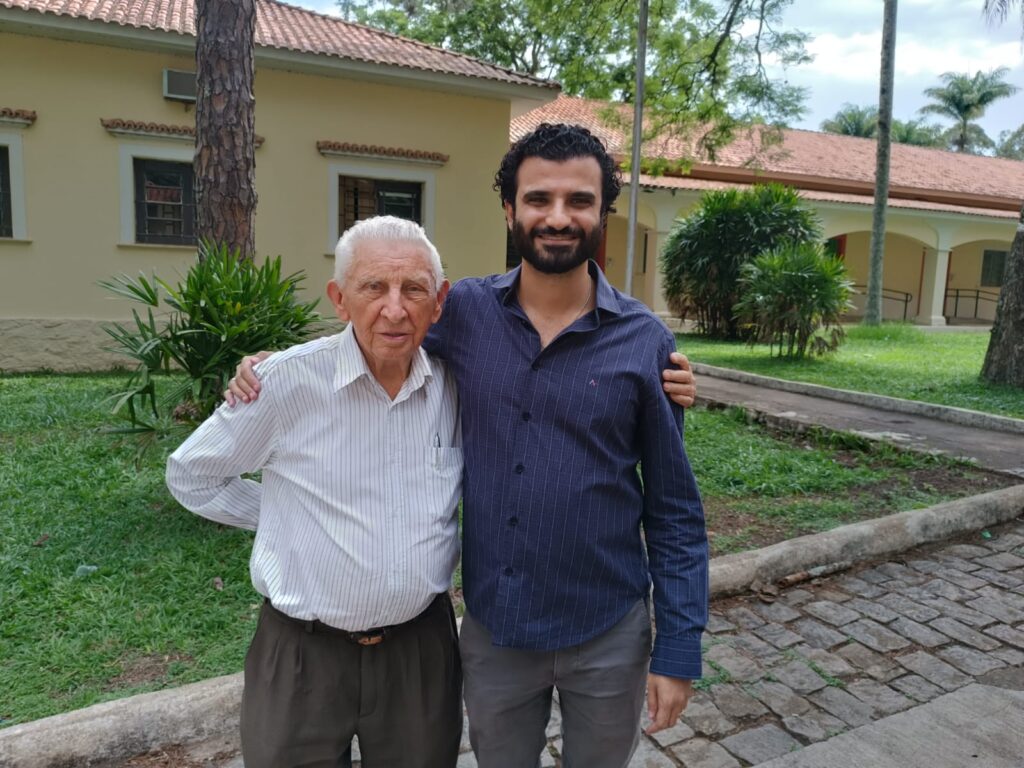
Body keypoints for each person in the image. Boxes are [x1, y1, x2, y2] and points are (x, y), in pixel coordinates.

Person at [229, 123, 707, 767]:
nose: (558, 217)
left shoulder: (646, 342)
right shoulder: (465, 314)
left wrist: (677, 650)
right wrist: (276, 366)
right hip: (497, 631)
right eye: (539, 199)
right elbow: (381, 324)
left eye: (579, 201)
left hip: (609, 629)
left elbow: (675, 512)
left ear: (602, 214)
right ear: (510, 211)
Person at [167, 217, 463, 768]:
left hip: (419, 654)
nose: (394, 309)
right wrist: (284, 516)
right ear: (340, 299)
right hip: (301, 655)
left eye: (414, 289)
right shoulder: (283, 384)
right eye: (373, 287)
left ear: (439, 301)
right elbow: (192, 475)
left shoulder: (456, 383)